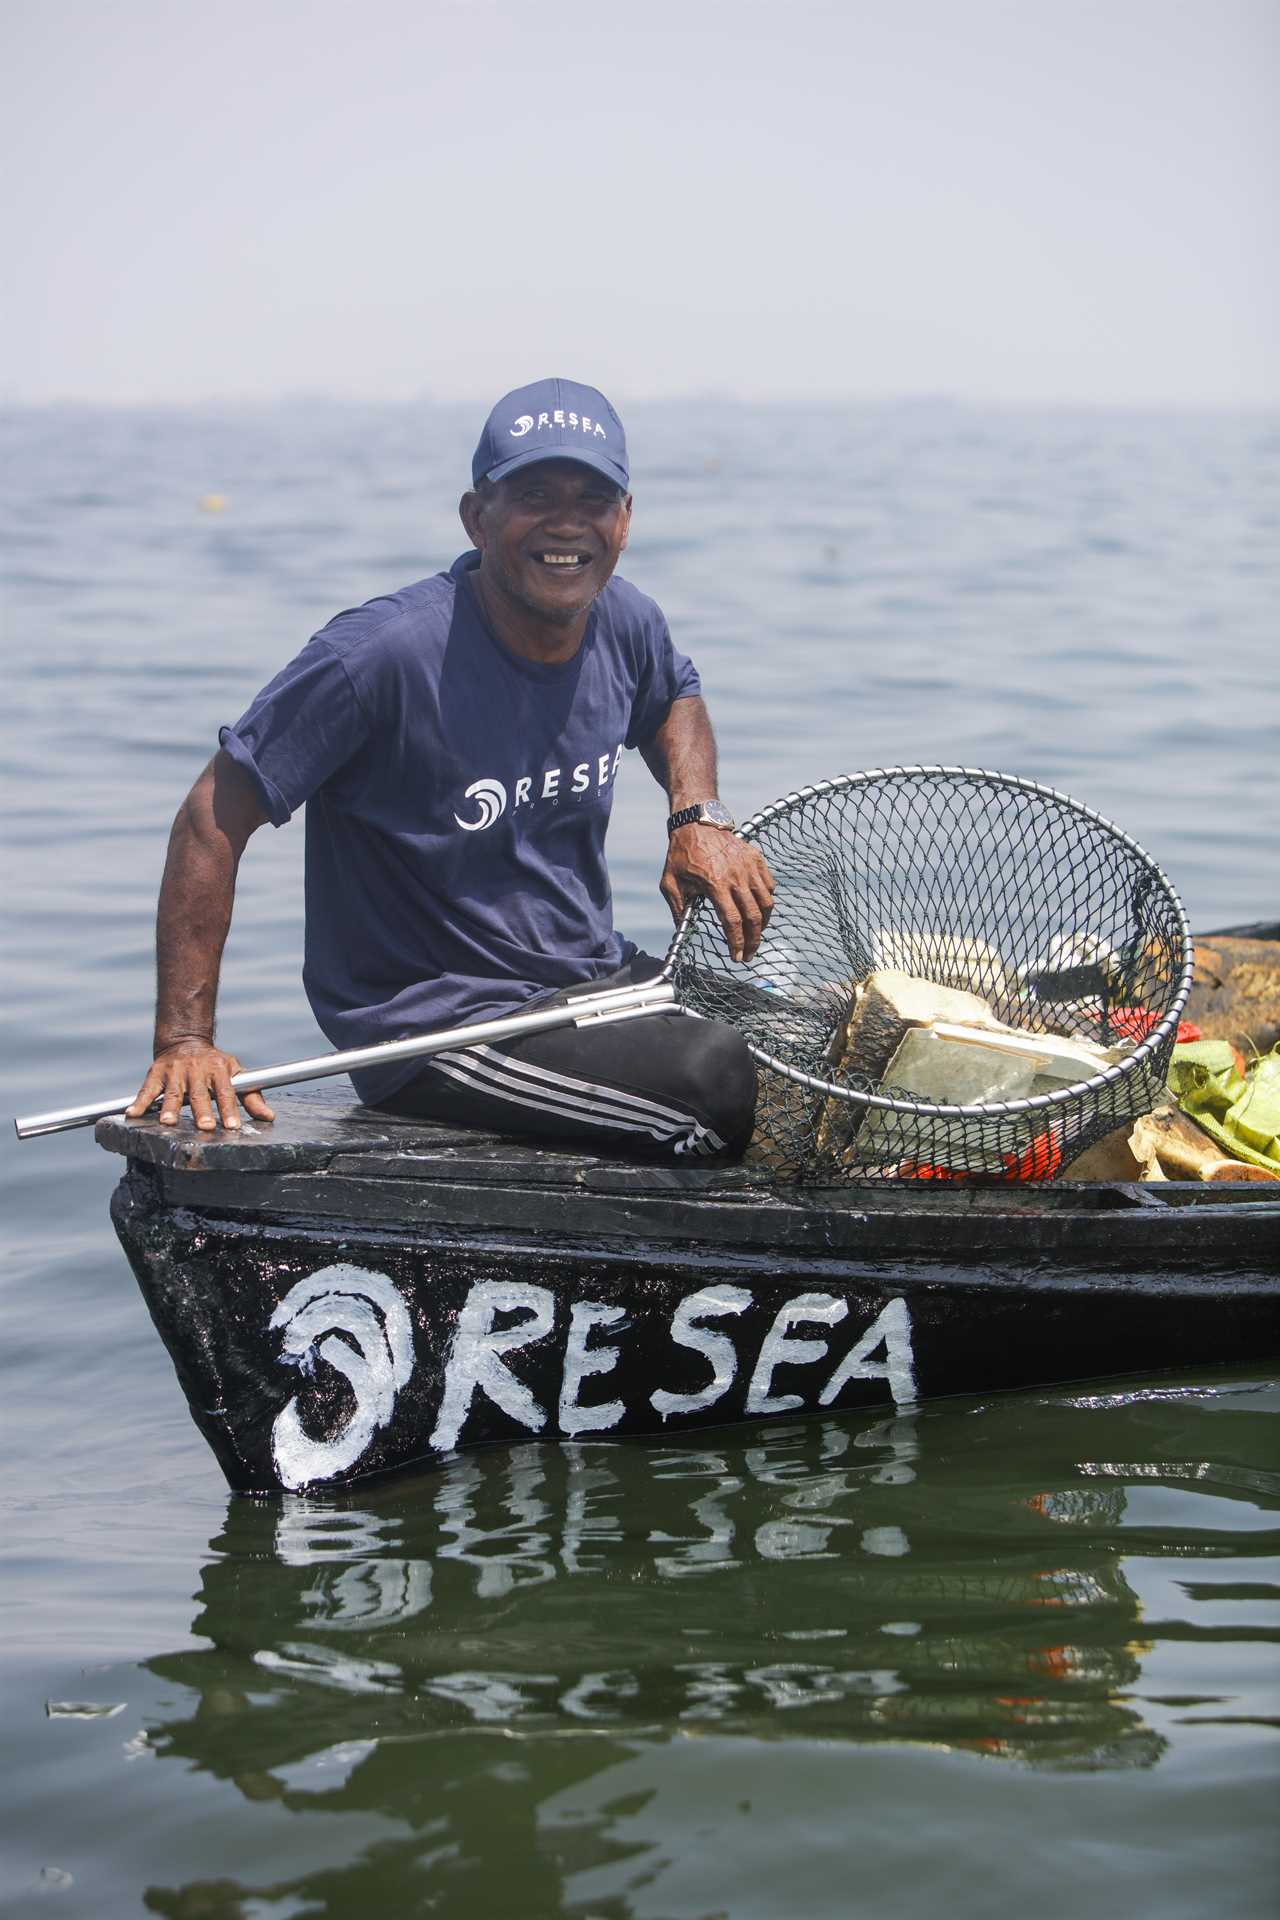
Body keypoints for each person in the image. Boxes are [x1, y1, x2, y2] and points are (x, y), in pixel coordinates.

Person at [126, 377, 774, 1159]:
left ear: (626, 520)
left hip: (587, 977)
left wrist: (695, 814)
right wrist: (186, 1038)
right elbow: (211, 817)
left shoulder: (626, 621)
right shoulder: (378, 657)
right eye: (535, 494)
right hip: (436, 1028)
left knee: (808, 1036)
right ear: (477, 517)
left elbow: (676, 695)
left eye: (593, 498)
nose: (566, 524)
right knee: (719, 1080)